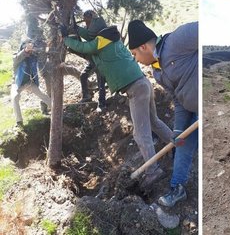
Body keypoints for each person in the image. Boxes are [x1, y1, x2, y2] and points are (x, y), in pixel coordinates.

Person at [59, 23, 173, 189]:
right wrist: (75, 29)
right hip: (143, 83)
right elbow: (88, 37)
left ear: (98, 33)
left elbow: (84, 46)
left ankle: (152, 171)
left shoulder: (101, 41)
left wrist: (65, 39)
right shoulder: (110, 40)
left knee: (141, 134)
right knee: (154, 122)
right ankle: (176, 145)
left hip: (136, 88)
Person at [127, 20, 198, 207]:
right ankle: (178, 188)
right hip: (191, 111)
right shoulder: (158, 72)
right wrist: (177, 130)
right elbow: (178, 100)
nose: (136, 59)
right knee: (182, 146)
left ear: (143, 47)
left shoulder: (177, 40)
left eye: (134, 54)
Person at [11, 38, 51, 127]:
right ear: (22, 47)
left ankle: (57, 111)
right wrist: (25, 50)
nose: (29, 48)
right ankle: (19, 122)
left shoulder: (33, 57)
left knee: (43, 95)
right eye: (26, 45)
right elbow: (18, 57)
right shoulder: (16, 56)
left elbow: (42, 54)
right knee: (15, 98)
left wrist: (46, 47)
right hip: (17, 83)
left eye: (30, 45)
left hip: (29, 82)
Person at [74, 10, 107, 111]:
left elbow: (89, 37)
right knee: (83, 75)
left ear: (92, 17)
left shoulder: (98, 27)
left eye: (87, 19)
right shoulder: (88, 27)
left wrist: (77, 29)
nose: (85, 22)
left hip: (101, 59)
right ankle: (86, 96)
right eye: (84, 20)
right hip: (93, 58)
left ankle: (102, 104)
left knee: (101, 80)